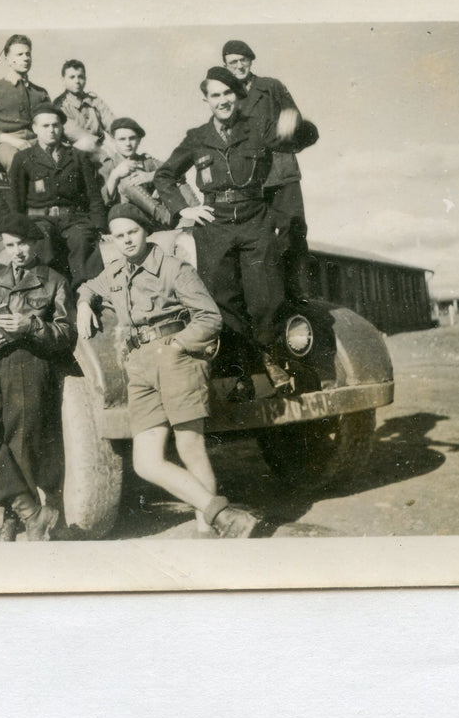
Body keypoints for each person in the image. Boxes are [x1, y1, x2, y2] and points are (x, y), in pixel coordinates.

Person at [77, 204, 259, 538]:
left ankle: (210, 528)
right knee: (145, 462)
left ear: (145, 231)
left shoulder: (174, 268)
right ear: (111, 240)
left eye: (132, 232)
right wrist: (82, 304)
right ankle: (224, 515)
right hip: (139, 367)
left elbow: (209, 317)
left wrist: (176, 346)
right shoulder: (114, 273)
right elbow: (89, 287)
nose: (127, 240)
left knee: (190, 447)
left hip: (177, 359)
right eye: (119, 236)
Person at [152, 67, 313, 398]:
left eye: (227, 93)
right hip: (215, 226)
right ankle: (239, 372)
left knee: (265, 297)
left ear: (237, 97)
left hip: (255, 220)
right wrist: (183, 209)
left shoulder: (258, 128)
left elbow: (299, 140)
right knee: (223, 301)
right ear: (206, 100)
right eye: (215, 95)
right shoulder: (197, 137)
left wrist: (297, 125)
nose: (222, 100)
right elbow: (164, 175)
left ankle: (269, 358)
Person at [0, 214, 76, 541]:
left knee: (21, 447)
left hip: (30, 364)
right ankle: (35, 515)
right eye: (10, 245)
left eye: (22, 244)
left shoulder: (54, 280)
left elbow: (67, 334)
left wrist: (31, 326)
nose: (17, 251)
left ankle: (24, 520)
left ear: (36, 243)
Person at [222, 39, 318, 300]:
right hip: (248, 177)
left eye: (243, 60)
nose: (238, 66)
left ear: (251, 61)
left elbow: (295, 119)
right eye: (232, 62)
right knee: (256, 236)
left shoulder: (271, 86)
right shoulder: (225, 96)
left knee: (293, 229)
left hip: (280, 169)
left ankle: (297, 291)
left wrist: (290, 127)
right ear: (226, 66)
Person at [8, 104, 106, 283]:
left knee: (82, 241)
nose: (51, 130)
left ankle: (84, 295)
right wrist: (18, 231)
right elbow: (16, 200)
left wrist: (99, 227)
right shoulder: (23, 158)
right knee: (43, 244)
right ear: (35, 128)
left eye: (55, 125)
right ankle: (47, 294)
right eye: (45, 126)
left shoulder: (78, 156)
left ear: (61, 127)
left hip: (73, 220)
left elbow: (93, 195)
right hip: (39, 221)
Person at [0, 34, 52, 175]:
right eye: (19, 54)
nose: (25, 58)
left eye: (28, 54)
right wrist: (13, 141)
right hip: (5, 145)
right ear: (8, 59)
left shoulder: (40, 93)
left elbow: (50, 123)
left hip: (35, 142)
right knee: (18, 160)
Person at [97, 116, 182, 227]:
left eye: (132, 138)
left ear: (139, 140)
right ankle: (165, 216)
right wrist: (114, 175)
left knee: (176, 179)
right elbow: (100, 203)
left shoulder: (147, 162)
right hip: (127, 220)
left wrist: (152, 176)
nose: (128, 143)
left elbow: (180, 171)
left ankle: (193, 214)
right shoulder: (108, 166)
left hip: (153, 220)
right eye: (122, 139)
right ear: (113, 141)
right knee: (127, 182)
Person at [54, 59, 115, 161]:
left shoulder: (95, 101)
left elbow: (112, 123)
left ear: (85, 79)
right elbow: (77, 135)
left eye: (80, 77)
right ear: (63, 80)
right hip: (75, 155)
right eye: (72, 77)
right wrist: (106, 149)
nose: (77, 81)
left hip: (100, 150)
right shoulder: (60, 106)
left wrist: (122, 136)